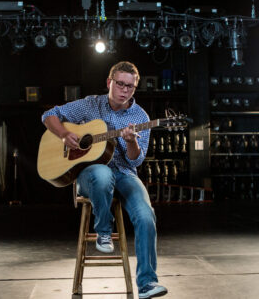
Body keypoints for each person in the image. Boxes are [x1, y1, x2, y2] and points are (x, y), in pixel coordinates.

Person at [41, 61, 168, 299]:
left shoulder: (140, 116)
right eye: (120, 84)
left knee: (145, 216)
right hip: (91, 174)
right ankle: (103, 230)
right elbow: (49, 115)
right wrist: (65, 134)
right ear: (109, 82)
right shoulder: (90, 105)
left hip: (124, 173)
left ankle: (148, 283)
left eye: (130, 86)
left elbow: (135, 162)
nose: (125, 90)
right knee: (102, 173)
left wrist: (131, 141)